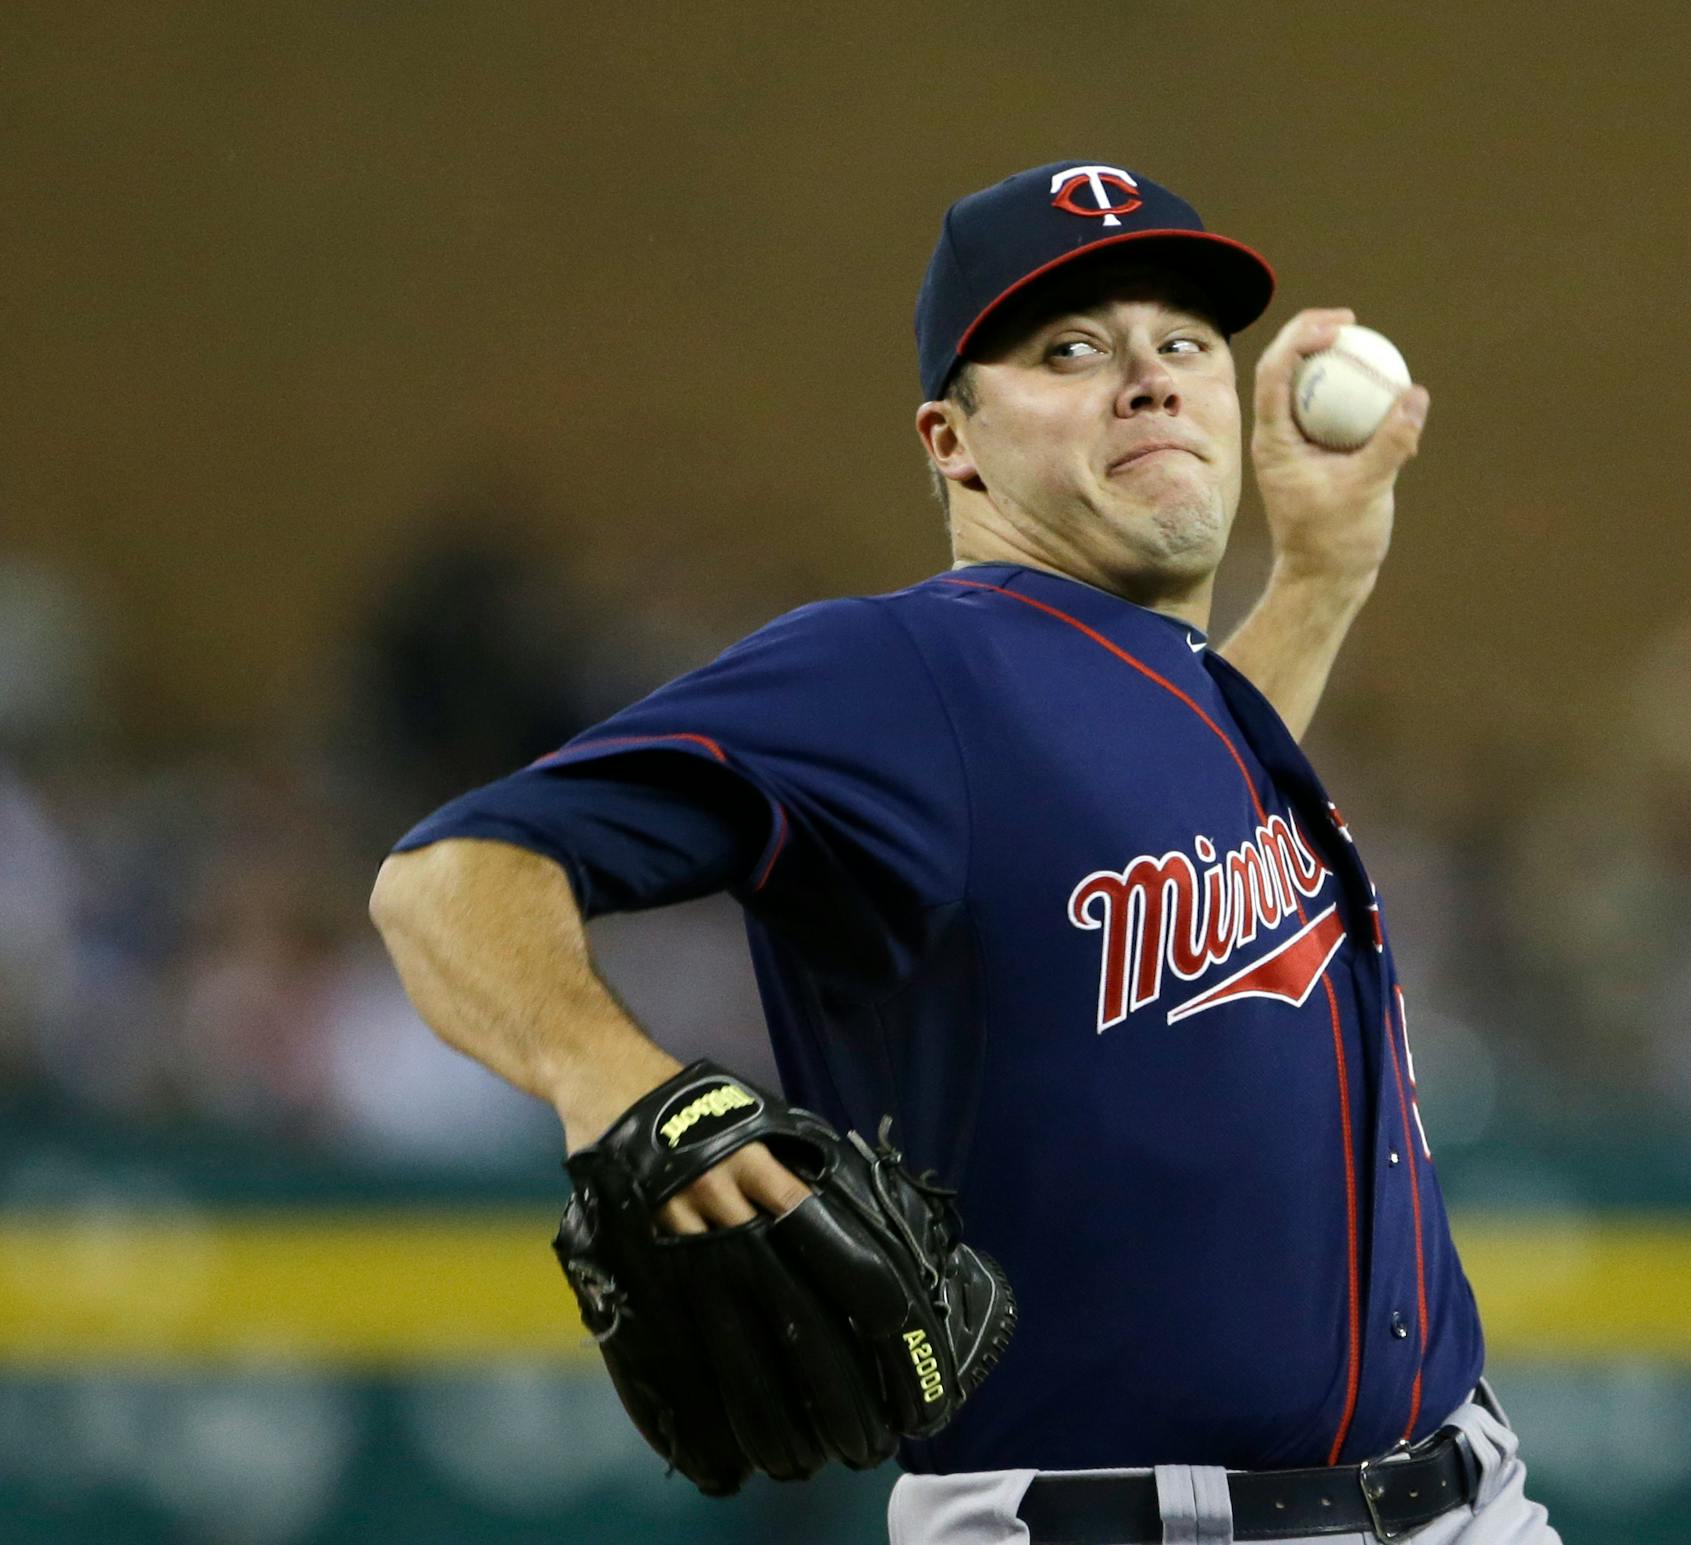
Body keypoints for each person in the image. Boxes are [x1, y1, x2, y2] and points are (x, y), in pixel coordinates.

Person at [370, 159, 1560, 1545]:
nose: (1151, 379)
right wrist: (623, 1091)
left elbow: (1157, 810)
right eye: (1072, 351)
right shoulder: (904, 671)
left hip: (1467, 1499)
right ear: (953, 441)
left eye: (1184, 342)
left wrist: (1320, 577)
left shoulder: (1174, 691)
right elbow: (444, 880)